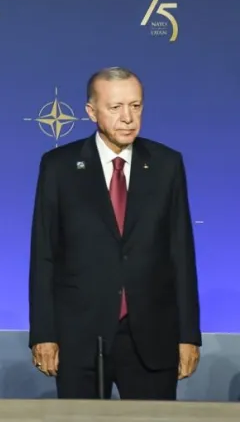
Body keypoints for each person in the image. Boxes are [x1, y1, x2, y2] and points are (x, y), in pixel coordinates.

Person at [29, 66, 200, 400]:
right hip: (81, 336)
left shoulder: (167, 164)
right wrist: (43, 333)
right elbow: (44, 253)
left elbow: (181, 252)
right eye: (116, 107)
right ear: (91, 112)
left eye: (135, 106)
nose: (128, 118)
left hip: (152, 335)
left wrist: (188, 334)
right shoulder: (59, 167)